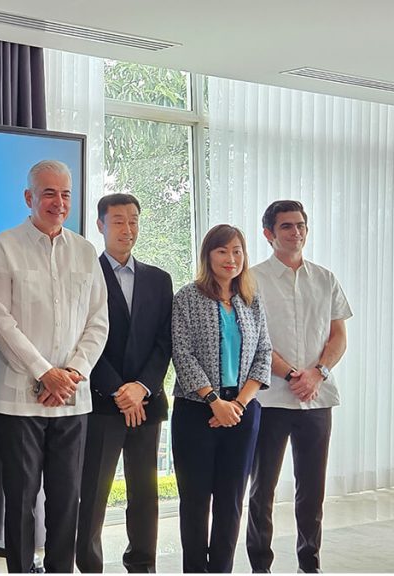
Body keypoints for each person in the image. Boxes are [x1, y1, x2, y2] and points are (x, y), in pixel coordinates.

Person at [0, 160, 108, 573]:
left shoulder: (85, 251)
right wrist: (44, 372)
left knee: (66, 498)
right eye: (49, 193)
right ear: (29, 197)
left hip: (72, 399)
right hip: (18, 400)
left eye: (66, 194)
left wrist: (71, 374)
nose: (59, 202)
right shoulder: (2, 247)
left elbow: (98, 321)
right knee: (20, 499)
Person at [246, 200, 351, 574]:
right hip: (269, 399)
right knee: (262, 489)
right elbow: (255, 339)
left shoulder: (325, 278)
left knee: (312, 489)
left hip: (317, 399)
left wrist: (317, 373)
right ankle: (260, 565)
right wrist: (293, 375)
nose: (296, 232)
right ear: (269, 234)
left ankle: (310, 563)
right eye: (287, 226)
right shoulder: (252, 279)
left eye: (301, 225)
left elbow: (338, 336)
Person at [75, 193, 173, 573]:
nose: (127, 229)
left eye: (133, 220)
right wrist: (118, 390)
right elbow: (82, 339)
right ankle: (89, 566)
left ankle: (142, 564)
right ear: (100, 225)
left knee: (145, 493)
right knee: (94, 492)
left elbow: (164, 342)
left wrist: (141, 388)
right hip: (103, 402)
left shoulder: (159, 280)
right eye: (118, 221)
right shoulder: (86, 275)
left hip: (146, 402)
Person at [170, 224, 271, 573]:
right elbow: (182, 354)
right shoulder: (187, 297)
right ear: (208, 255)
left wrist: (238, 404)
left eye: (237, 251)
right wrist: (215, 401)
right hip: (196, 411)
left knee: (231, 502)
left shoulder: (251, 299)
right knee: (195, 502)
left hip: (242, 412)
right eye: (222, 251)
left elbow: (264, 353)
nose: (231, 259)